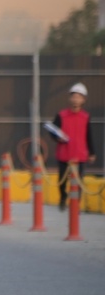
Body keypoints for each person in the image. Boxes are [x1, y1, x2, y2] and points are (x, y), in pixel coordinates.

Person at [49, 82, 96, 210]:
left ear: (83, 100)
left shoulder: (85, 117)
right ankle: (63, 197)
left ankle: (76, 205)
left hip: (79, 154)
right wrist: (57, 138)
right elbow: (52, 130)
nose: (76, 99)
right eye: (74, 96)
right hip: (64, 153)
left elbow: (88, 135)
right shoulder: (61, 115)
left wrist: (91, 153)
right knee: (62, 181)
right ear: (70, 98)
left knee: (78, 182)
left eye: (79, 97)